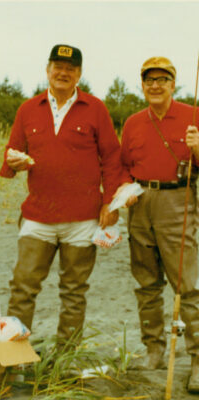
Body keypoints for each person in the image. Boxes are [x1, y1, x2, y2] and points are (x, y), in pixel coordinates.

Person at [0, 44, 124, 344]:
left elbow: (111, 158)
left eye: (70, 68)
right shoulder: (28, 109)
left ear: (79, 74)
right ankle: (15, 357)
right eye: (58, 66)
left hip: (83, 220)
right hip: (37, 217)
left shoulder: (96, 108)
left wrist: (111, 202)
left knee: (74, 291)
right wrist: (12, 162)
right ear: (47, 69)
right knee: (23, 287)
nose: (63, 73)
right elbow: (10, 155)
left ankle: (66, 361)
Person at [120, 57, 199, 393]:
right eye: (149, 79)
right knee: (146, 282)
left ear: (173, 84)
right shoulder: (133, 123)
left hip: (176, 202)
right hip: (140, 204)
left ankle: (197, 358)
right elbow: (122, 166)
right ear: (142, 84)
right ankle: (154, 349)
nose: (155, 85)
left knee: (188, 285)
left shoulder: (192, 116)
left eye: (162, 79)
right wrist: (125, 191)